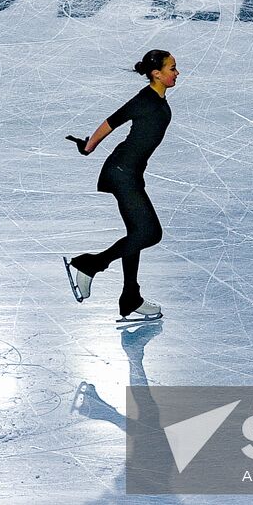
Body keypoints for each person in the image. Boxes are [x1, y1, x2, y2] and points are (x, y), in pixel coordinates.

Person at [63, 50, 179, 323]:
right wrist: (89, 147)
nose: (177, 72)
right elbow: (112, 121)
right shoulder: (145, 100)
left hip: (131, 173)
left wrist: (90, 147)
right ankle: (90, 264)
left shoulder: (158, 100)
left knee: (136, 234)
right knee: (151, 233)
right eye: (172, 68)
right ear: (156, 74)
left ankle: (131, 298)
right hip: (121, 173)